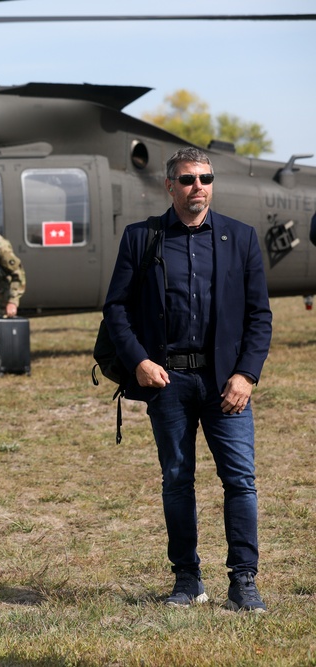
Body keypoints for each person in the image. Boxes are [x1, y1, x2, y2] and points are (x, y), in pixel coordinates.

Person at [103, 147, 273, 612]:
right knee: (177, 480)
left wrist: (247, 374)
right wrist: (138, 360)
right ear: (169, 185)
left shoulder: (241, 238)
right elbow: (115, 308)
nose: (197, 186)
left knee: (240, 480)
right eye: (187, 179)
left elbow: (260, 316)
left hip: (226, 385)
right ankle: (187, 578)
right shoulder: (142, 238)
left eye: (205, 177)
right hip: (168, 382)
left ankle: (243, 581)